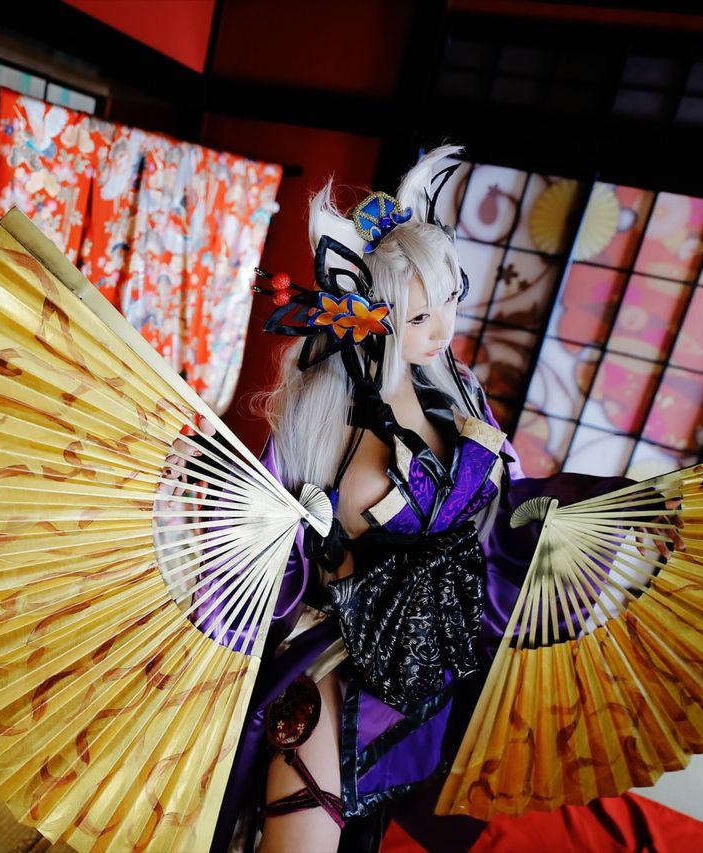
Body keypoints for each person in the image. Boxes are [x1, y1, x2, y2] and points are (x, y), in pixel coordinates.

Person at [200, 145, 633, 853]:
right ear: (368, 314)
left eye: (452, 299)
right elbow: (296, 560)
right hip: (344, 663)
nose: (445, 330)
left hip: (438, 659)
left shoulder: (458, 399)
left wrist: (588, 516)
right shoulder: (328, 428)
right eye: (420, 315)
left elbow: (503, 513)